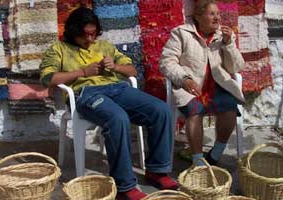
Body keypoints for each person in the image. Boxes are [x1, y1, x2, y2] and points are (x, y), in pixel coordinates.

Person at [39, 7, 178, 200]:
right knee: (117, 117)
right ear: (73, 31)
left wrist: (116, 66)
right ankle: (124, 186)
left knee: (160, 110)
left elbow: (132, 71)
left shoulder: (104, 46)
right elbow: (47, 78)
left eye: (93, 34)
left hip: (117, 89)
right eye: (84, 35)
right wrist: (82, 73)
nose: (89, 39)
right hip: (85, 94)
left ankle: (157, 170)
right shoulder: (59, 49)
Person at [159, 0, 245, 166]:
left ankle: (215, 154)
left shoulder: (223, 36)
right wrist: (185, 79)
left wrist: (228, 44)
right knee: (195, 111)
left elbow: (236, 67)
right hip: (191, 87)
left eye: (218, 14)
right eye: (212, 14)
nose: (217, 18)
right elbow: (166, 62)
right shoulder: (181, 33)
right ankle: (198, 161)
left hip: (217, 86)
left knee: (230, 109)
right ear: (198, 16)